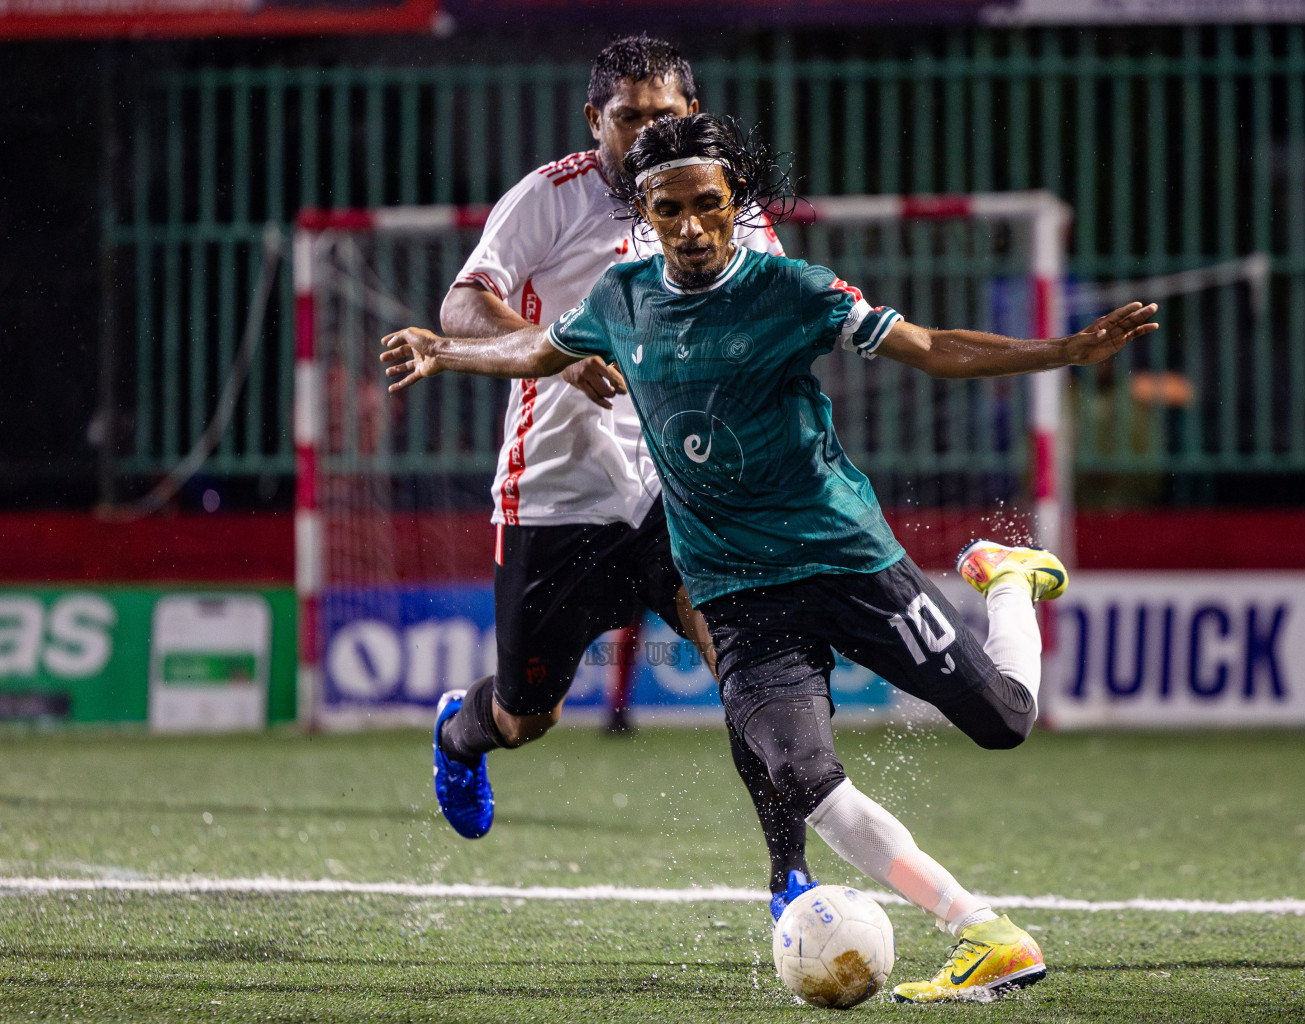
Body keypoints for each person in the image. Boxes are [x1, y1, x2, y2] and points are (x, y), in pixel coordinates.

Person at [383, 113, 1157, 1003]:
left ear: (734, 202)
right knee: (804, 774)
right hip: (737, 594)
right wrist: (448, 348)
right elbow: (539, 345)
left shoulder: (795, 289)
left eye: (708, 206)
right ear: (644, 214)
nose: (691, 227)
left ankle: (1008, 578)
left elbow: (932, 348)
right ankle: (981, 931)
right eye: (668, 211)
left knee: (1005, 719)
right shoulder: (621, 297)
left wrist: (1062, 352)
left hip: (844, 557)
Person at [426, 37, 820, 916]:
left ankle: (790, 877)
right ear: (593, 121)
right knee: (526, 716)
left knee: (742, 661)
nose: (649, 130)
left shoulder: (724, 203)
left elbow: (773, 306)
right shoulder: (551, 195)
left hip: (684, 488)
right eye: (629, 116)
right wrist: (557, 357)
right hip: (559, 490)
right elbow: (461, 302)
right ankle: (461, 734)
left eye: (667, 113)